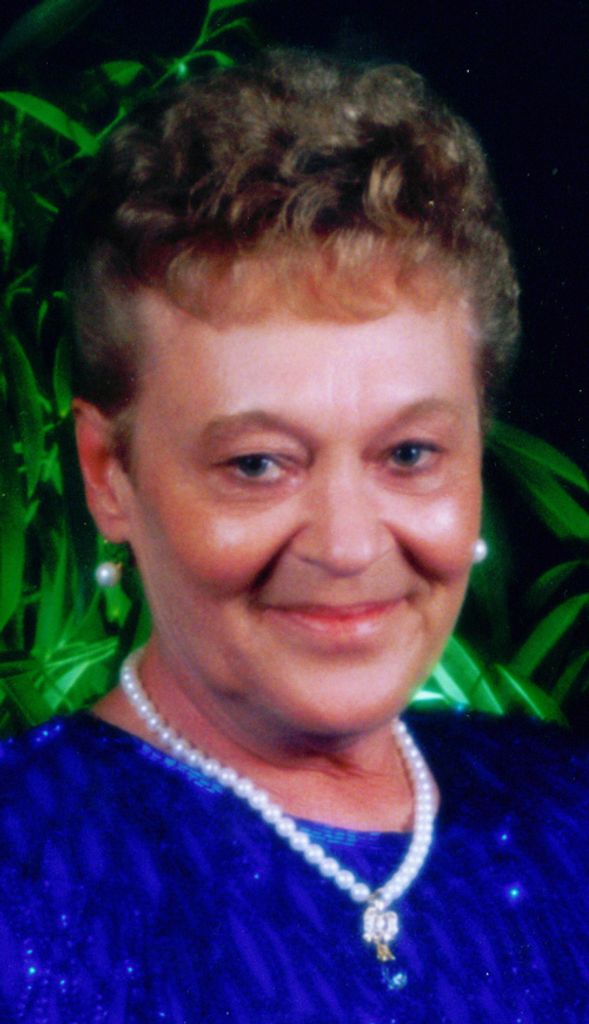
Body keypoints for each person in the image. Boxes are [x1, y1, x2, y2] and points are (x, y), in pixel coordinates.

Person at [0, 49, 587, 1023]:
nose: (348, 546)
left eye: (409, 453)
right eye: (257, 464)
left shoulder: (565, 815)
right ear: (110, 476)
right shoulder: (22, 872)